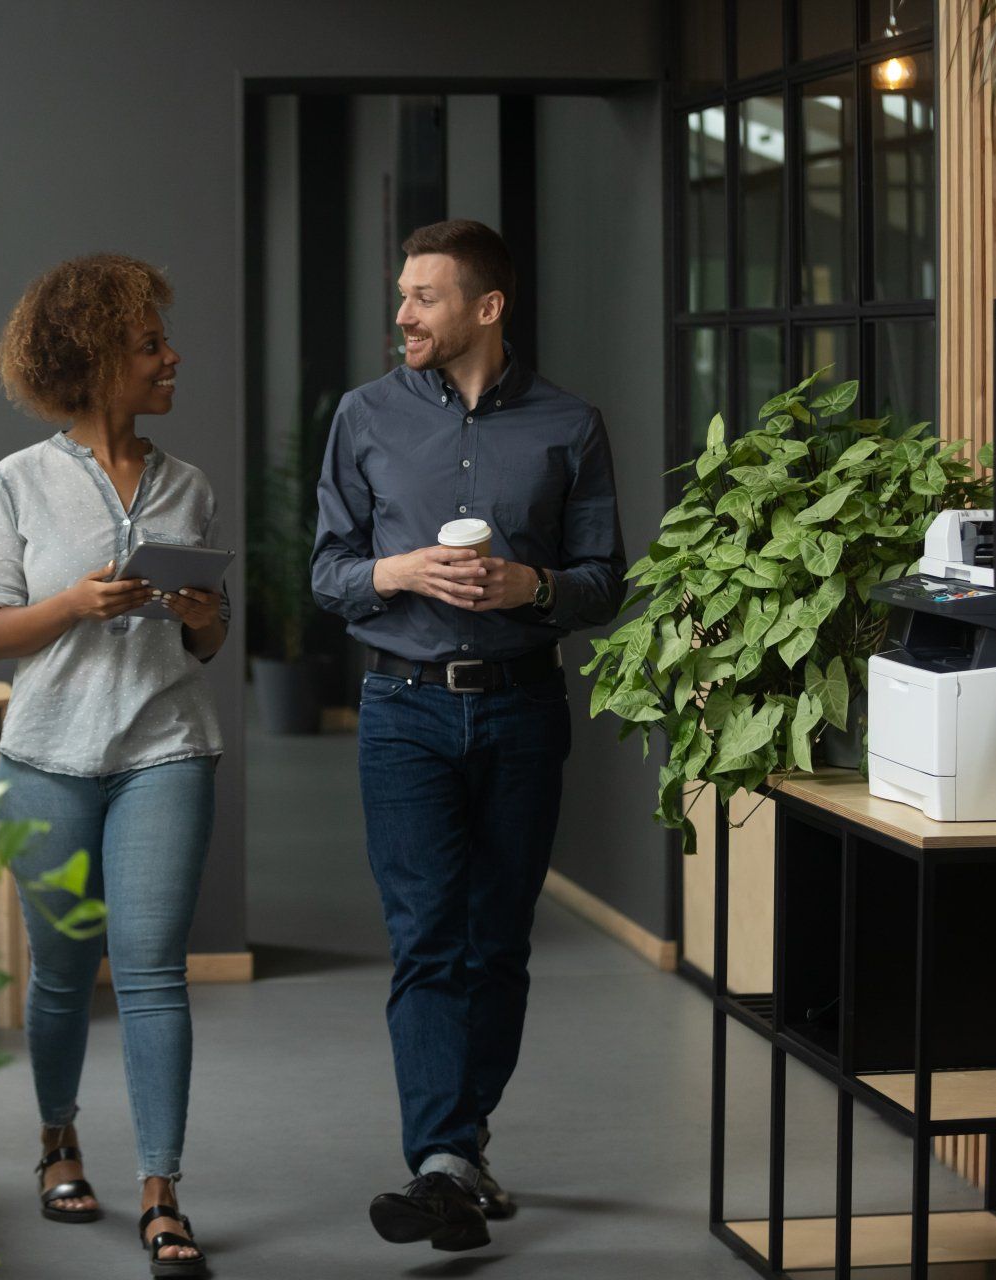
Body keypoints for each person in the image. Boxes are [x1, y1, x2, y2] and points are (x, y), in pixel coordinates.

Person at [311, 219, 626, 1252]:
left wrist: (527, 583)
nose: (401, 313)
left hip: (524, 705)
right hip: (401, 707)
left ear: (486, 308)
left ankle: (461, 1147)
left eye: (425, 296)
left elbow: (603, 580)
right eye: (402, 293)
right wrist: (399, 571)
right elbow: (327, 571)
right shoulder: (362, 417)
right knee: (427, 933)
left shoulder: (570, 425)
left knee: (497, 939)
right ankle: (441, 1155)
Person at [0, 253, 227, 1278]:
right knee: (66, 975)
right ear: (91, 360)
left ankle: (162, 1187)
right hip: (46, 757)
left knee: (156, 971)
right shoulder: (16, 481)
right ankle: (58, 1139)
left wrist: (205, 619)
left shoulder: (190, 485)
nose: (171, 358)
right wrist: (76, 602)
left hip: (166, 746)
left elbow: (204, 647)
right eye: (149, 345)